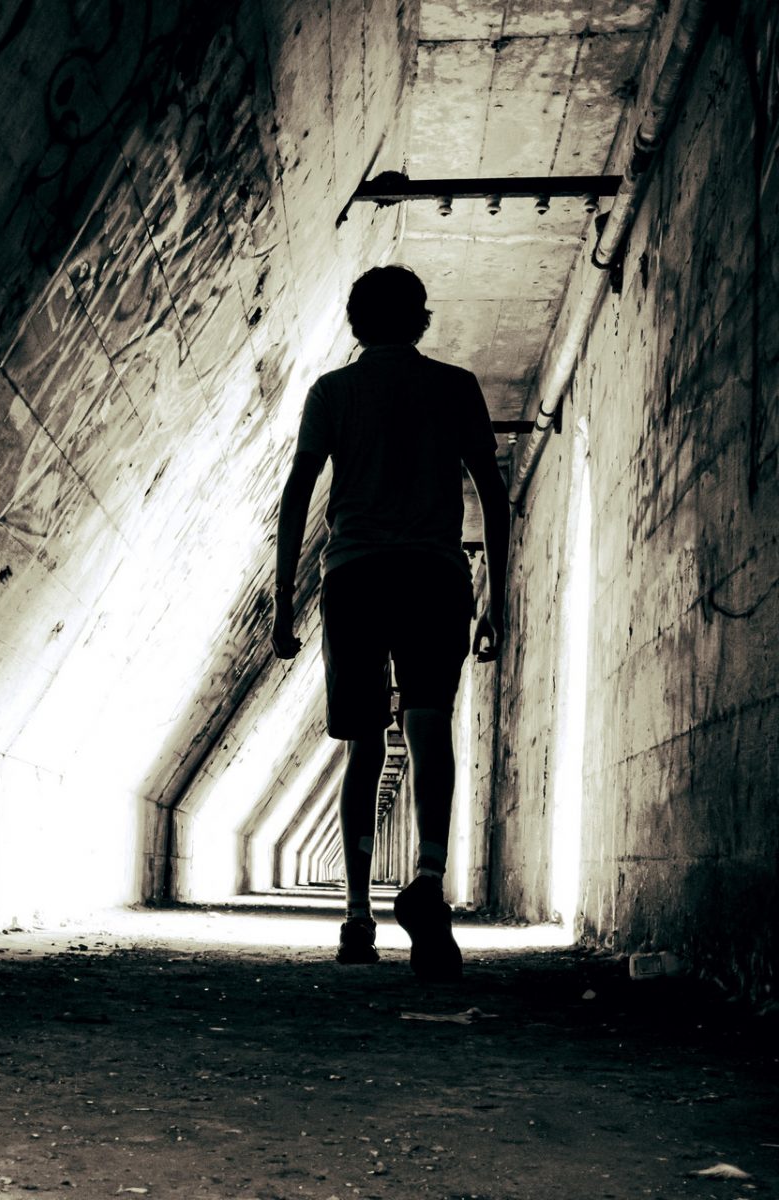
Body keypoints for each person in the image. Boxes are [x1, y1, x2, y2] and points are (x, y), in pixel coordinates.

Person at [270, 265, 509, 982]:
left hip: (355, 575)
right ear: (422, 321)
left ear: (354, 323)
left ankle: (356, 914)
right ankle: (428, 882)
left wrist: (284, 600)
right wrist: (500, 592)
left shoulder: (332, 393)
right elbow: (492, 494)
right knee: (430, 724)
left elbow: (296, 493)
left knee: (362, 744)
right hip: (434, 573)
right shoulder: (456, 387)